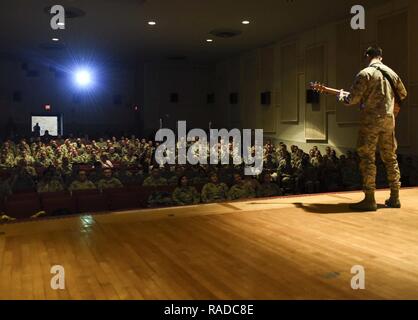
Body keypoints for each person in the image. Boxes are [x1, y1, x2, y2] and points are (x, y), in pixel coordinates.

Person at [343, 46, 407, 211]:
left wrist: (342, 96)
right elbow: (403, 94)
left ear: (367, 56)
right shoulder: (392, 74)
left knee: (367, 158)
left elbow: (352, 99)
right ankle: (395, 197)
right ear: (381, 57)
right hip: (388, 120)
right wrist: (392, 111)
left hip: (371, 121)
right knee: (390, 157)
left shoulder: (365, 73)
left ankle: (370, 198)